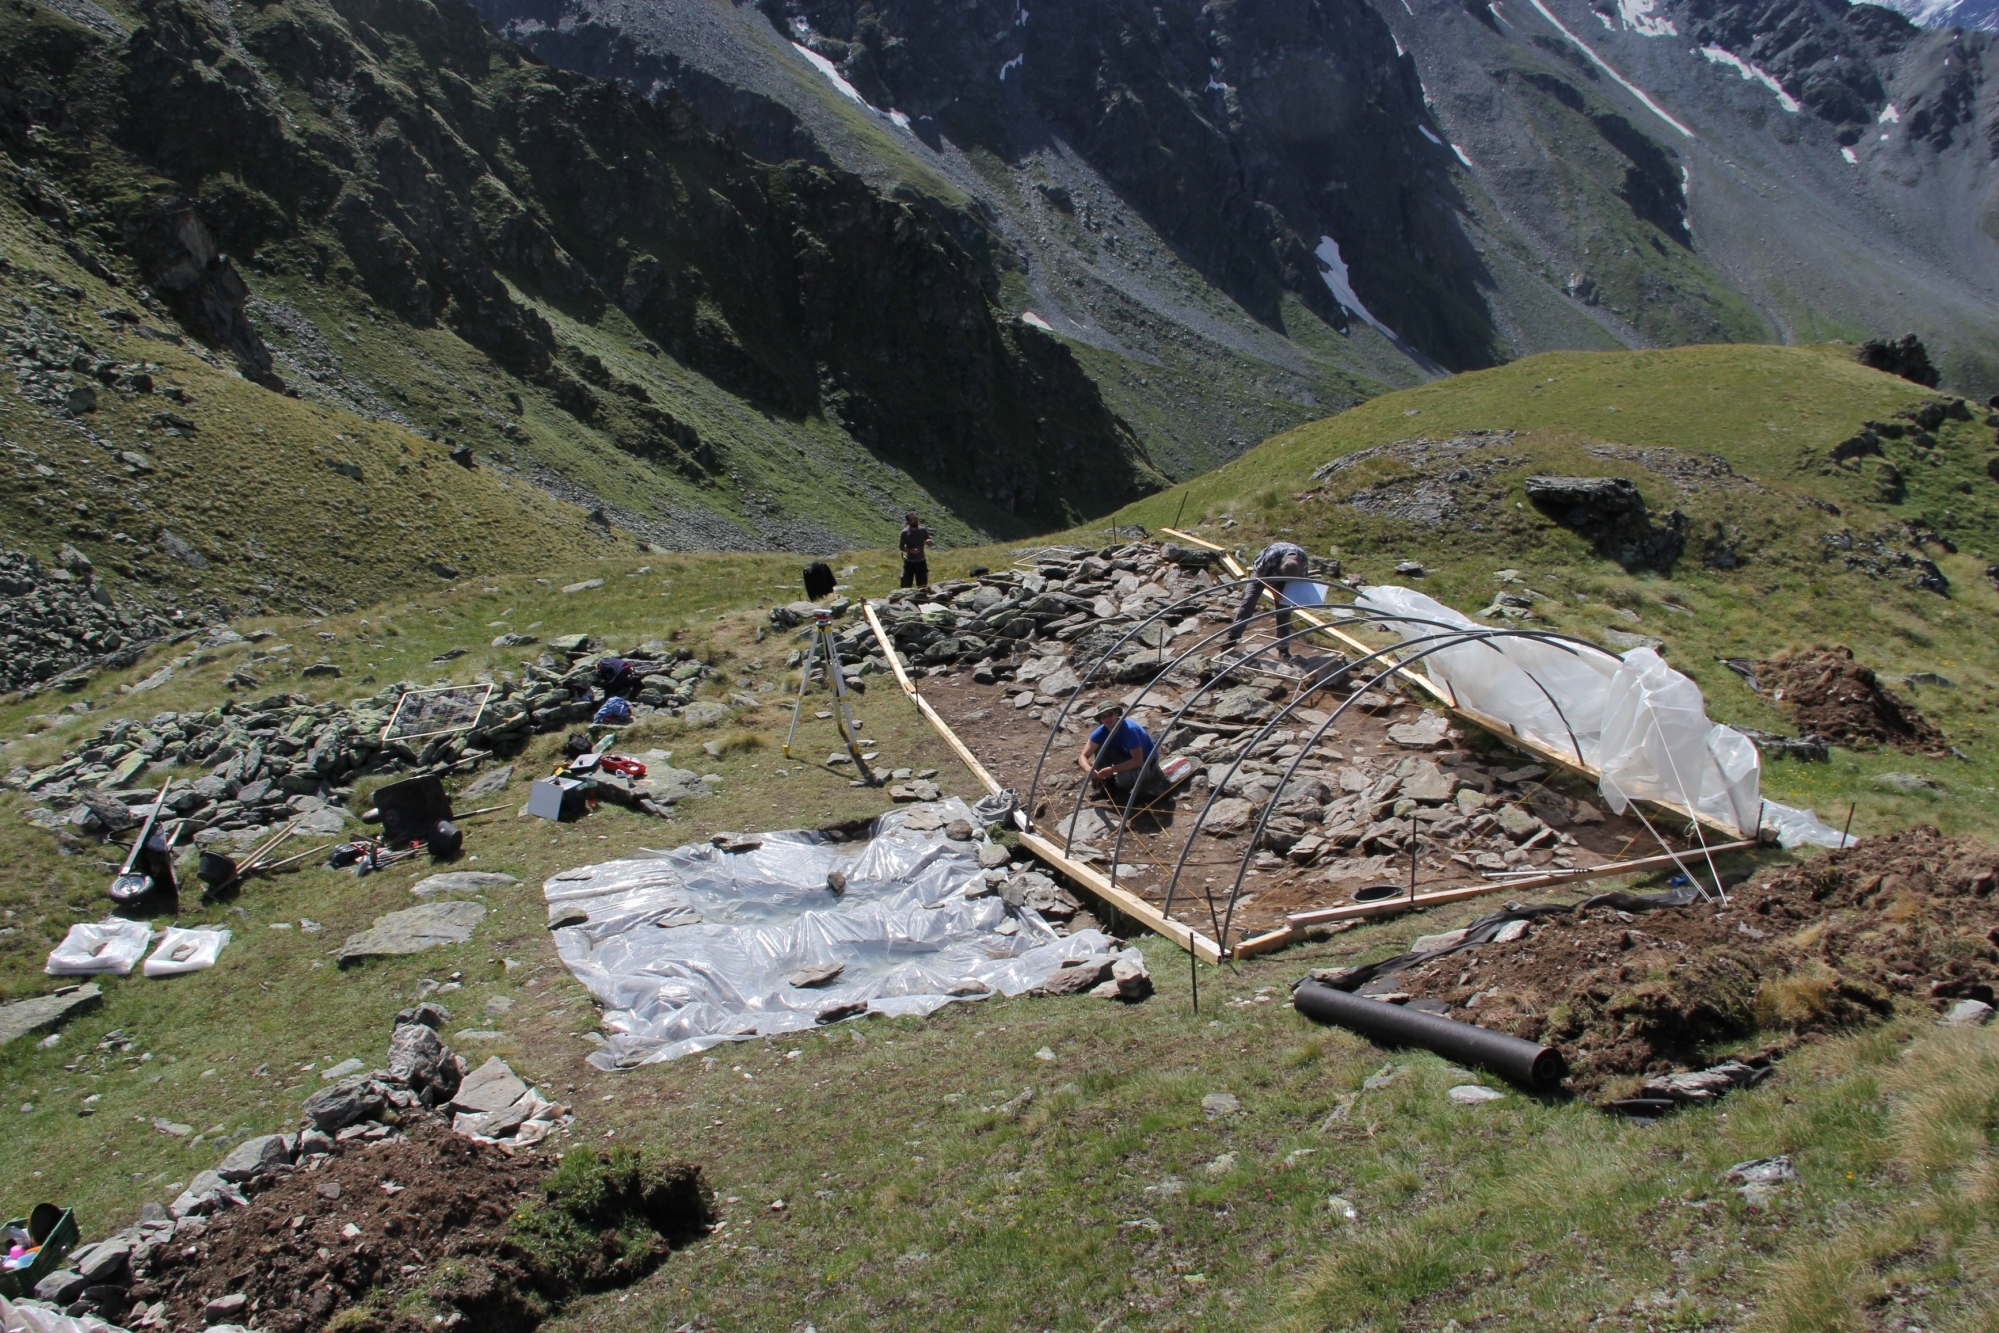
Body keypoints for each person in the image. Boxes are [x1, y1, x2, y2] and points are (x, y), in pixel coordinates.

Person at [1223, 540, 1313, 660]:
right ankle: (1232, 637)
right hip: (1263, 574)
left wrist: (1300, 600)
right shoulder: (1273, 555)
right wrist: (1275, 592)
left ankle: (1283, 648)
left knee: (1284, 610)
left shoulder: (1302, 560)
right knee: (1250, 600)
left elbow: (1301, 584)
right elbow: (1260, 576)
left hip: (1286, 579)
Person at [1078, 701, 1168, 803]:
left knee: (1123, 779)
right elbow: (1083, 756)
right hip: (1127, 757)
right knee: (1100, 747)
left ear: (1117, 713)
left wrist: (1112, 769)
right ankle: (1108, 785)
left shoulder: (1130, 730)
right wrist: (1088, 768)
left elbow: (1137, 761)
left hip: (1146, 763)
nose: (1107, 719)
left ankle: (1123, 791)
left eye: (1110, 714)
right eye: (1103, 717)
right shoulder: (1100, 731)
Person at [898, 512, 932, 589]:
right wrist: (910, 550)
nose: (915, 521)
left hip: (921, 562)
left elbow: (927, 538)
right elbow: (901, 547)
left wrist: (928, 541)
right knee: (905, 586)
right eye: (912, 519)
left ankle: (922, 599)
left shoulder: (923, 530)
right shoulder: (904, 533)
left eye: (915, 518)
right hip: (909, 562)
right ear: (908, 521)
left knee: (922, 586)